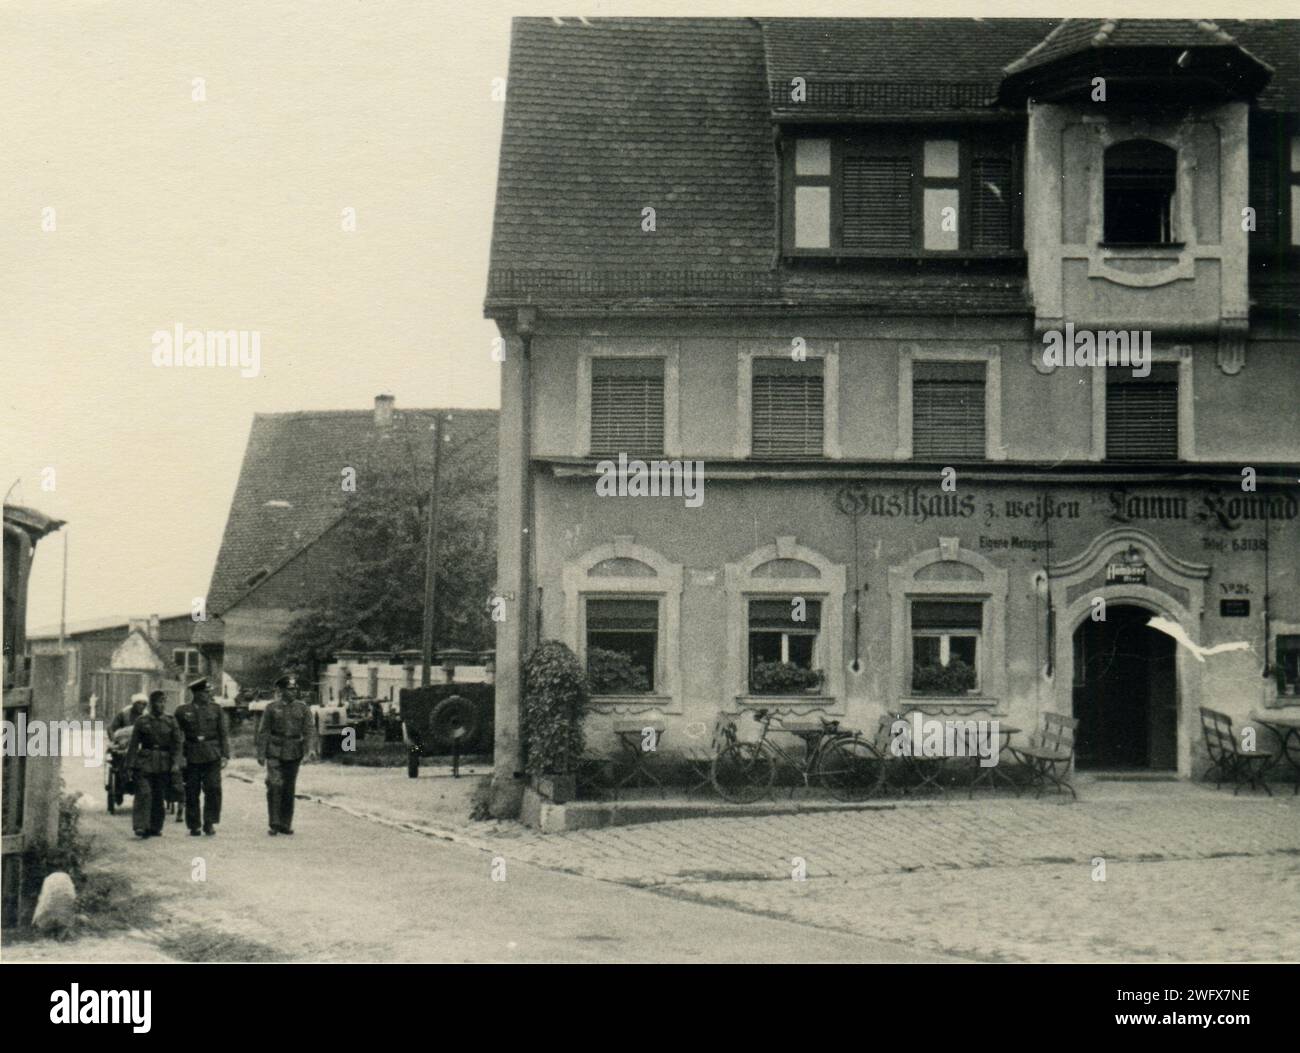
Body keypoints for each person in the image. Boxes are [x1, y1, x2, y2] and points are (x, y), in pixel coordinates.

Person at [256, 673, 318, 836]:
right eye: (290, 689)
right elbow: (263, 731)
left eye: (295, 689)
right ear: (282, 690)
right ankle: (274, 823)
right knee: (275, 785)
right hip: (275, 750)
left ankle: (285, 823)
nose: (293, 692)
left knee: (289, 788)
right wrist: (261, 753)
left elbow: (309, 730)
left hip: (294, 751)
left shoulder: (303, 708)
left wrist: (309, 749)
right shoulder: (271, 708)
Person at [173, 676, 229, 836]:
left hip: (212, 754)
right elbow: (176, 736)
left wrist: (225, 754)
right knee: (191, 790)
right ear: (196, 693)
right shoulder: (182, 711)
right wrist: (179, 756)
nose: (208, 695)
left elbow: (223, 733)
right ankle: (194, 825)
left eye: (209, 692)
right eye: (205, 692)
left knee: (213, 788)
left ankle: (210, 822)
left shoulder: (216, 709)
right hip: (191, 754)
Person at [124, 691, 182, 838]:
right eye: (158, 702)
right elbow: (133, 744)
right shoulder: (142, 721)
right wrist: (129, 766)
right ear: (152, 704)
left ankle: (155, 827)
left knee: (158, 795)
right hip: (145, 761)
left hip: (164, 762)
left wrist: (176, 763)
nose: (161, 705)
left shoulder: (170, 721)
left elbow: (177, 744)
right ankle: (141, 826)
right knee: (144, 793)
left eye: (164, 702)